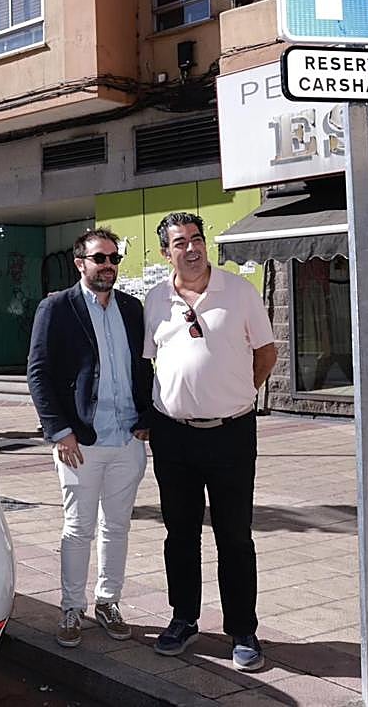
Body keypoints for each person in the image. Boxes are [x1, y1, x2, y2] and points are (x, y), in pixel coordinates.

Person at [142, 212, 277, 672]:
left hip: (231, 434)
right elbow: (151, 361)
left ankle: (243, 630)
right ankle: (183, 619)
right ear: (167, 253)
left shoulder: (238, 291)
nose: (192, 248)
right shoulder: (154, 299)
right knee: (179, 535)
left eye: (197, 239)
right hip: (172, 437)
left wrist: (239, 394)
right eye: (180, 243)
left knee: (234, 536)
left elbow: (266, 351)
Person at [27, 227, 153, 648]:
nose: (109, 267)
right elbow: (39, 373)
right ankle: (69, 608)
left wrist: (147, 419)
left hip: (127, 441)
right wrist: (59, 431)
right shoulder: (57, 307)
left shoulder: (132, 310)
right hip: (79, 443)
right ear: (80, 263)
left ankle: (108, 602)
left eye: (114, 259)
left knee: (116, 527)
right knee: (78, 528)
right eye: (100, 258)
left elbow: (146, 369)